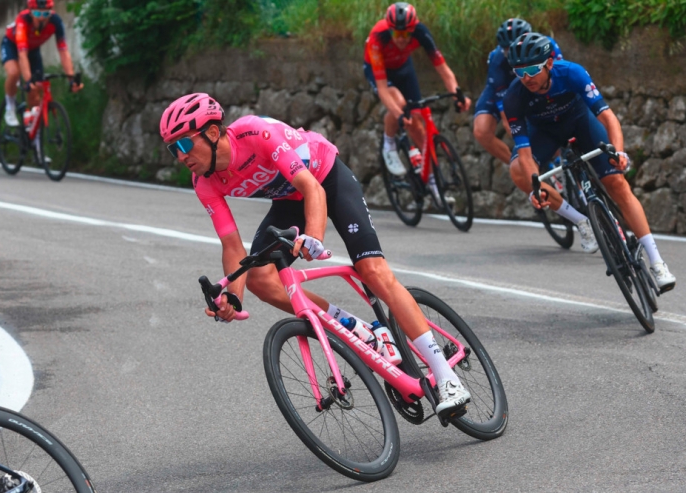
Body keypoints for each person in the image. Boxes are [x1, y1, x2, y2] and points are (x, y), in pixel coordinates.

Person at [159, 93, 472, 417]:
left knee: (372, 271)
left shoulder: (256, 133)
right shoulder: (204, 182)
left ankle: (447, 378)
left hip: (325, 178)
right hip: (289, 200)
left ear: (212, 133)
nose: (180, 156)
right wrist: (233, 299)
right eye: (172, 149)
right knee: (260, 279)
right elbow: (232, 247)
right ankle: (359, 329)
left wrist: (314, 238)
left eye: (182, 145)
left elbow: (312, 189)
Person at [502, 33, 676, 290]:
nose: (526, 77)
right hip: (545, 133)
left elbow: (607, 118)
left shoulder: (572, 73)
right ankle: (581, 221)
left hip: (581, 123)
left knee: (617, 184)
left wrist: (618, 153)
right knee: (519, 171)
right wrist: (536, 187)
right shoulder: (514, 97)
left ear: (549, 64)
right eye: (519, 71)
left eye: (531, 69)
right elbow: (525, 153)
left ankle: (657, 261)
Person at [363, 2, 471, 179]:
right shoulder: (378, 37)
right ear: (390, 30)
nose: (401, 38)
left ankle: (432, 181)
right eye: (396, 33)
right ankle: (389, 145)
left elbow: (443, 69)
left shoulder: (421, 32)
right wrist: (398, 114)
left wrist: (457, 95)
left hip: (403, 67)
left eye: (406, 33)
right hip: (379, 70)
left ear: (413, 30)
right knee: (399, 104)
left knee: (417, 122)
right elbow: (382, 89)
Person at [474, 18, 562, 165]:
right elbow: (508, 121)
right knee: (481, 131)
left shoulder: (548, 45)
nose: (513, 53)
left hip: (535, 82)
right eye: (508, 50)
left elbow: (559, 77)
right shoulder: (497, 61)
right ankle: (525, 166)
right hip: (505, 88)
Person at [1, 0, 83, 129]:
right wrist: (28, 80)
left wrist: (71, 79)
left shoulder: (56, 21)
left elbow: (63, 51)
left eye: (46, 14)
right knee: (14, 72)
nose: (41, 18)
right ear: (31, 12)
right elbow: (22, 55)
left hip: (33, 49)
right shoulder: (23, 19)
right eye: (38, 13)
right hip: (13, 45)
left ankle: (33, 129)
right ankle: (10, 108)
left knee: (37, 89)